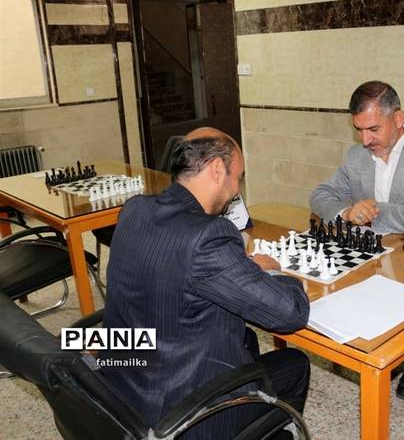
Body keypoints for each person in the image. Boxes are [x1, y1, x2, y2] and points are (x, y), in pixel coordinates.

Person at [100, 128, 310, 439]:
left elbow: (180, 269)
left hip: (125, 387)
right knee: (295, 363)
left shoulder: (135, 208)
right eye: (237, 177)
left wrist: (238, 269)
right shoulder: (208, 234)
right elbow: (290, 314)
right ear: (216, 169)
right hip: (183, 415)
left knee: (246, 339)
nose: (236, 190)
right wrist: (275, 272)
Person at [310, 81, 404, 399]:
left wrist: (375, 211)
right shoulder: (356, 156)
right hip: (368, 256)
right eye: (359, 130)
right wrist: (347, 211)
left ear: (398, 118)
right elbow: (320, 195)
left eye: (373, 129)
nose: (365, 140)